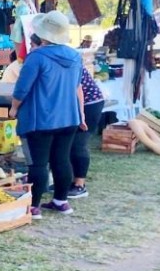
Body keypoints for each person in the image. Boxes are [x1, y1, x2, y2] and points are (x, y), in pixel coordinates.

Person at [9, 11, 83, 219]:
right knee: (61, 159)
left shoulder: (37, 57)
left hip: (40, 120)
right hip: (69, 118)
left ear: (41, 36)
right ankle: (61, 201)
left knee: (38, 163)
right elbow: (76, 86)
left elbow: (22, 89)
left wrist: (14, 108)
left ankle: (34, 207)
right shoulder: (75, 56)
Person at [68, 67, 104, 198]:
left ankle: (79, 185)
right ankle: (68, 181)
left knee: (78, 143)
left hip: (89, 104)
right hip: (75, 105)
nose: (31, 47)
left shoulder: (67, 61)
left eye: (33, 45)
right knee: (68, 144)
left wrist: (81, 115)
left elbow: (77, 89)